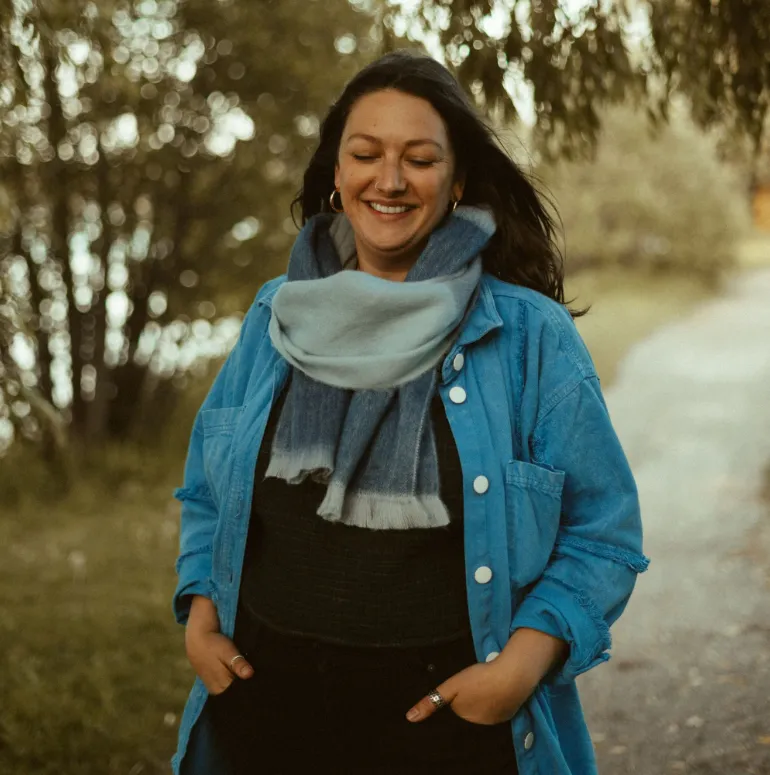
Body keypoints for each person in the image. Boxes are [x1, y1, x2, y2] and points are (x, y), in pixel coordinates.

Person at [170, 50, 648, 775]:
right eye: (366, 154)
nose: (389, 180)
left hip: (450, 731)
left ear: (456, 181)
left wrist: (518, 667)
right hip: (264, 720)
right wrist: (201, 613)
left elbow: (602, 532)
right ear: (337, 171)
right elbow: (209, 488)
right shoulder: (277, 313)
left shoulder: (528, 337)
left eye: (419, 159)